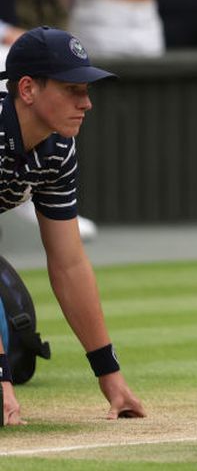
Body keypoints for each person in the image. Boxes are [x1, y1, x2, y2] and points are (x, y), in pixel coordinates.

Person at [0, 26, 145, 425]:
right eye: (72, 90)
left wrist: (110, 375)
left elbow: (69, 265)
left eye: (87, 89)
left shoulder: (59, 146)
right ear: (27, 90)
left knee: (17, 354)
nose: (87, 103)